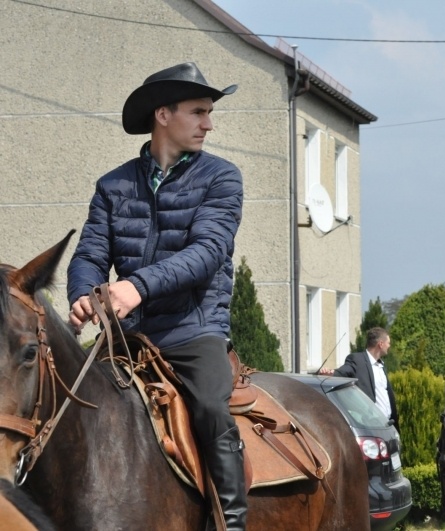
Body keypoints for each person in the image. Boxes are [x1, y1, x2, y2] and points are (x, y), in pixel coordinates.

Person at [66, 62, 246, 529]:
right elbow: (89, 254)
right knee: (64, 398)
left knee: (209, 405)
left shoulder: (222, 178)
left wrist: (136, 286)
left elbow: (208, 252)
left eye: (209, 113)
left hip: (194, 330)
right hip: (126, 337)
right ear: (163, 114)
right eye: (199, 112)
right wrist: (84, 295)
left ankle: (233, 521)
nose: (209, 123)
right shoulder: (112, 186)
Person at [319, 327, 399, 430]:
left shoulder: (381, 366)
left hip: (388, 425)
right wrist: (330, 373)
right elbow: (342, 372)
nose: (389, 346)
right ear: (381, 344)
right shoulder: (357, 360)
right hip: (369, 425)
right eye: (388, 343)